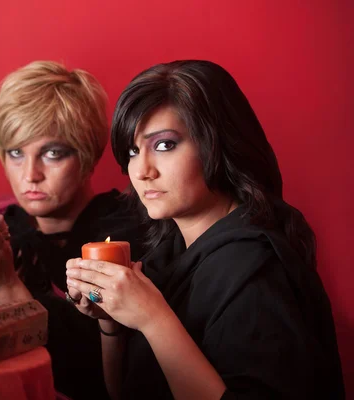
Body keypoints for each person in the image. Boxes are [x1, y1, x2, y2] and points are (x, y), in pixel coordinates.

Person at [65, 60, 345, 399]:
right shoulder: (168, 254)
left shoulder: (254, 267)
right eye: (133, 151)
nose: (141, 170)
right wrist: (111, 322)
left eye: (165, 145)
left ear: (217, 142)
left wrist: (153, 318)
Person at [0, 61, 147, 399]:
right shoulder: (0, 222)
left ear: (87, 155)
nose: (30, 174)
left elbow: (83, 376)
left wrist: (3, 284)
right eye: (16, 153)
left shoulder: (125, 233)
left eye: (52, 153)